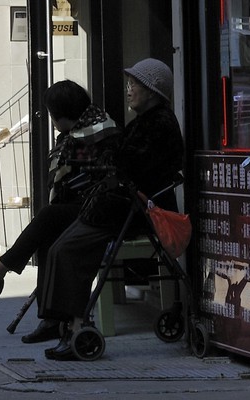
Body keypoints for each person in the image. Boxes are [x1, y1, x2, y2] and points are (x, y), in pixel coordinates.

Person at [40, 59, 184, 362]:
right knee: (59, 246)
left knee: (66, 249)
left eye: (136, 85)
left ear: (153, 91)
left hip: (127, 210)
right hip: (116, 206)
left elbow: (127, 167)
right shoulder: (146, 122)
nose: (129, 90)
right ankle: (63, 323)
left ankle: (75, 325)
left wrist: (106, 157)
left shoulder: (158, 125)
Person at [0, 79, 117, 342]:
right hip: (85, 206)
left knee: (48, 217)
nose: (52, 121)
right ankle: (51, 320)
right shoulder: (79, 132)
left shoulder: (95, 134)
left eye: (53, 115)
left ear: (64, 114)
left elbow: (93, 179)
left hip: (102, 210)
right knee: (48, 233)